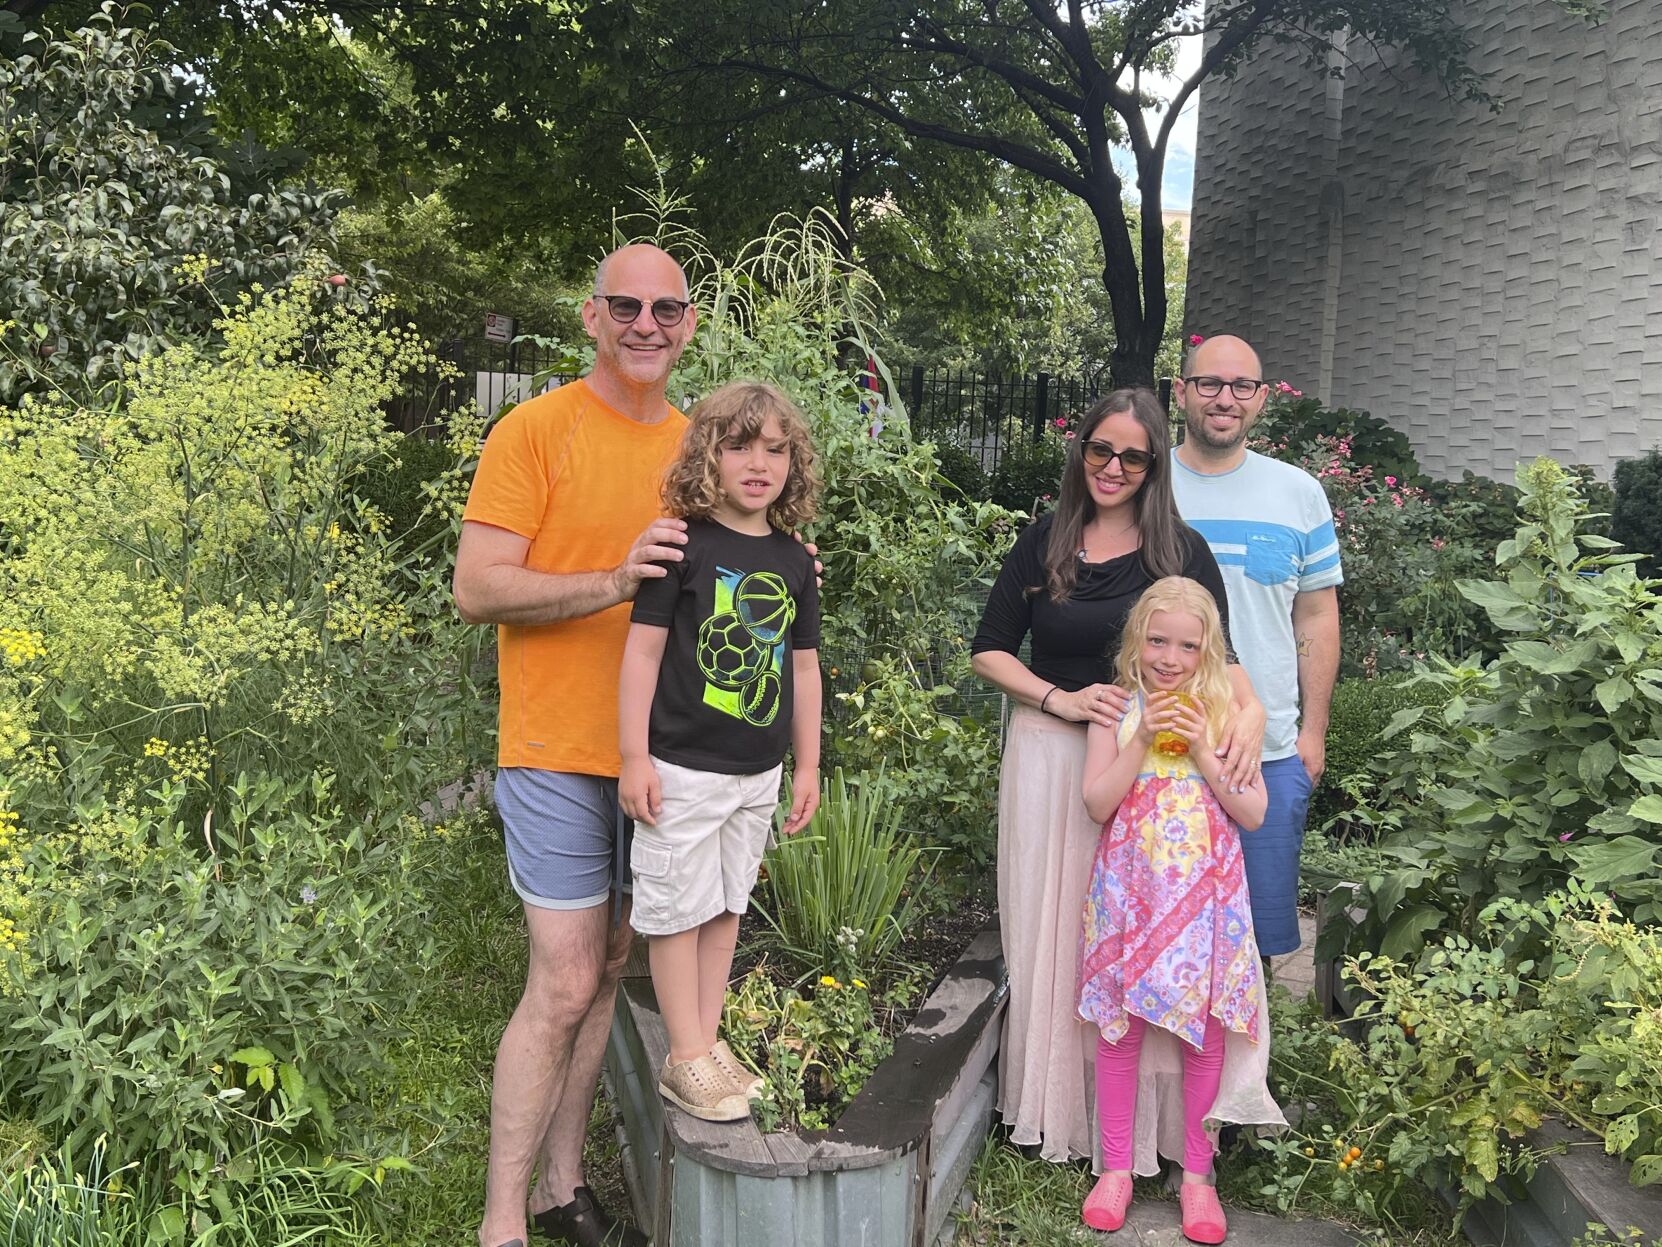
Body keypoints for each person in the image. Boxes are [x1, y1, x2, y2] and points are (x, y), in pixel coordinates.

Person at [453, 243, 698, 1247]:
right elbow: (478, 587)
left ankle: (563, 1187)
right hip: (555, 742)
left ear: (689, 323)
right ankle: (500, 1221)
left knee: (606, 964)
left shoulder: (698, 446)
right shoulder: (535, 429)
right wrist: (611, 577)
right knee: (560, 974)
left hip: (660, 750)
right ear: (590, 316)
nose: (647, 324)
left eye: (667, 309)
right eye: (627, 306)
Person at [969, 388, 1266, 1166]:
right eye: (1100, 449)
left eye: (1132, 455)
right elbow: (989, 648)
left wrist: (1255, 723)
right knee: (1055, 938)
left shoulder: (1181, 552)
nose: (1112, 466)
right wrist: (1058, 696)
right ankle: (1058, 1118)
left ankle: (1165, 1138)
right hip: (1054, 757)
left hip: (1158, 781)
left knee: (1137, 950)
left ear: (1154, 464)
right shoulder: (1045, 541)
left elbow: (1225, 666)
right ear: (1082, 451)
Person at [618, 381, 822, 1122]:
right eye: (739, 445)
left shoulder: (797, 563)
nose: (758, 462)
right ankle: (684, 1057)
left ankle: (705, 1041)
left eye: (775, 448)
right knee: (676, 910)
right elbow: (641, 656)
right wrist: (633, 756)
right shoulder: (682, 544)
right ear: (709, 454)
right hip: (680, 769)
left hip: (756, 774)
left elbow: (803, 668)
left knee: (726, 904)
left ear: (793, 463)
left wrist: (809, 764)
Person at [1077, 577, 1284, 1243]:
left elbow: (1252, 811)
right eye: (1157, 640)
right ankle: (1115, 1169)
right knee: (1120, 1029)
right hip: (1128, 897)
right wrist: (1141, 741)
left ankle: (1199, 1177)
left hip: (1203, 902)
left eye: (1186, 645)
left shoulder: (1222, 712)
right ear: (1136, 639)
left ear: (1209, 651)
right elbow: (1096, 802)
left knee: (1205, 1034)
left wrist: (1200, 745)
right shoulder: (1115, 709)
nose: (1169, 656)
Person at [1170, 335, 1343, 958]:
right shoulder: (1145, 485)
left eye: (1242, 386)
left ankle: (1248, 1061)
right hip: (1157, 753)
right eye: (1210, 384)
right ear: (1182, 392)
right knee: (1158, 935)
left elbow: (1318, 617)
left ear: (1262, 399)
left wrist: (1312, 736)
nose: (1225, 399)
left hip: (1264, 758)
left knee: (1252, 945)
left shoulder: (1297, 495)